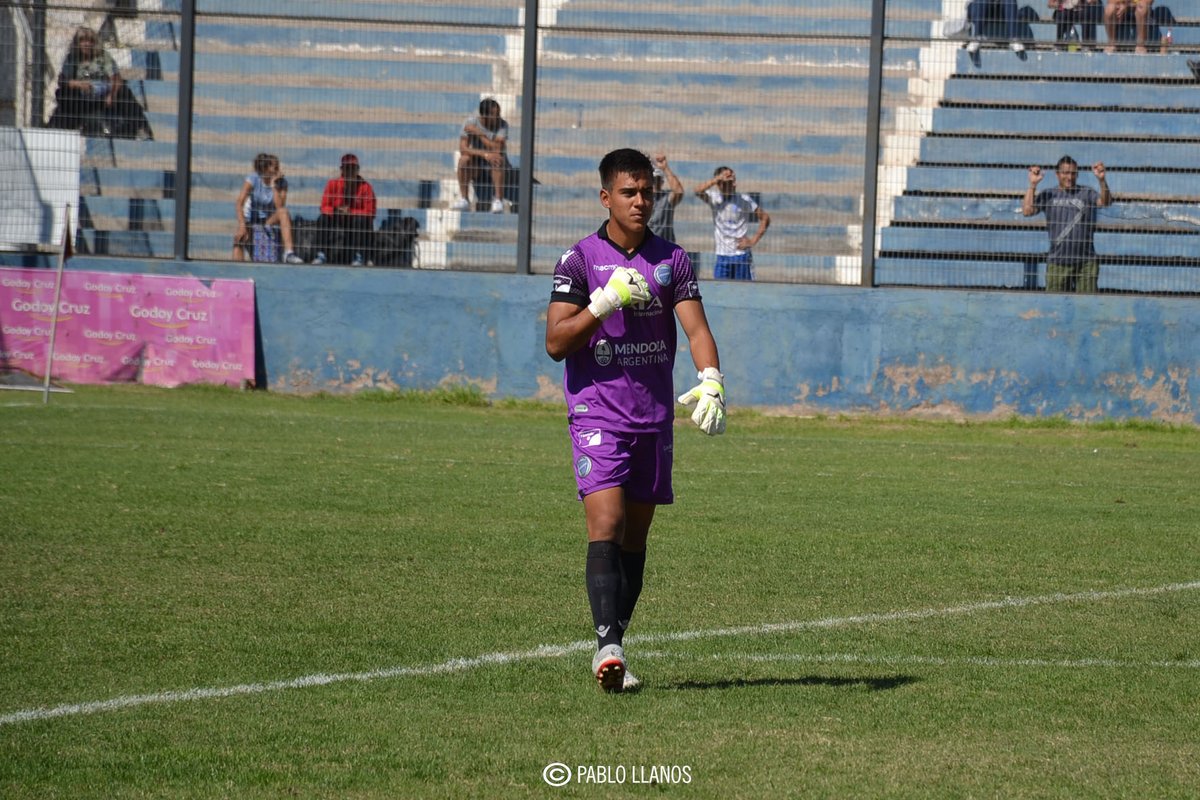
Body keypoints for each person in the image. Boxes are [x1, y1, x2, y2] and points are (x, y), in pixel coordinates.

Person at [545, 148, 725, 693]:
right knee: (607, 525)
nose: (641, 201)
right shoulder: (579, 260)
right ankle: (607, 647)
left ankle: (615, 644)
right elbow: (556, 342)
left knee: (636, 539)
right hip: (597, 411)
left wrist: (712, 377)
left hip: (653, 417)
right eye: (629, 192)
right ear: (606, 197)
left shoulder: (674, 259)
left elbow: (695, 330)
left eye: (647, 191)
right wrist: (603, 303)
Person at [1022, 155, 1112, 293]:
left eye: (1073, 173)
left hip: (1086, 263)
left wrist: (1101, 180)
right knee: (1055, 308)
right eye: (1065, 173)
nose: (1069, 177)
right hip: (1057, 262)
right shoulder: (1049, 194)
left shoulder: (1086, 193)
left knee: (1086, 307)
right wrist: (1033, 185)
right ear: (1057, 174)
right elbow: (1027, 211)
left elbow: (1105, 202)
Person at [48, 26, 153, 139]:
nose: (86, 44)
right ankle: (61, 129)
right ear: (77, 43)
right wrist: (79, 84)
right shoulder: (72, 58)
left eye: (90, 41)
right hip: (81, 98)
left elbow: (117, 79)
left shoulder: (103, 57)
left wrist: (111, 95)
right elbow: (63, 80)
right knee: (62, 93)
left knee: (124, 92)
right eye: (83, 40)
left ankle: (141, 127)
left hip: (102, 97)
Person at [694, 166, 770, 281]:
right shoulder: (714, 198)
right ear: (720, 184)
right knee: (720, 292)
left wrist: (752, 241)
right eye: (729, 181)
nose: (734, 184)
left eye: (734, 180)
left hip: (741, 255)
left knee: (744, 292)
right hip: (722, 256)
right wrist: (717, 179)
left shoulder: (744, 199)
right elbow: (697, 191)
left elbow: (765, 218)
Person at [233, 153, 303, 264]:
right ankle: (236, 269)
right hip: (253, 219)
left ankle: (289, 253)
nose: (277, 170)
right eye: (275, 167)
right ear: (265, 169)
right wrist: (242, 225)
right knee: (239, 239)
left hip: (270, 219)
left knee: (284, 212)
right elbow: (239, 203)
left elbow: (280, 207)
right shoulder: (253, 179)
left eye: (278, 167)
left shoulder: (282, 183)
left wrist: (274, 186)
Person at [312, 153, 377, 266]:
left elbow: (370, 212)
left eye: (353, 168)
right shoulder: (332, 184)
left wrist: (352, 212)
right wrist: (336, 210)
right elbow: (324, 206)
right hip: (338, 218)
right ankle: (321, 254)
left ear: (358, 170)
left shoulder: (366, 187)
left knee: (361, 220)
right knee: (323, 218)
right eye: (347, 168)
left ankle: (358, 256)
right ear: (342, 169)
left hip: (356, 221)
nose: (350, 171)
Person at [451, 98, 509, 213]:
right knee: (463, 160)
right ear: (484, 116)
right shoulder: (470, 122)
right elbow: (463, 148)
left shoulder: (503, 125)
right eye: (495, 114)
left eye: (499, 113)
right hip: (476, 165)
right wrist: (485, 154)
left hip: (495, 166)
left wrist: (480, 134)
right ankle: (464, 199)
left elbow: (498, 149)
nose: (498, 117)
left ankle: (498, 200)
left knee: (498, 159)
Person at [647, 152, 684, 243]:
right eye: (652, 180)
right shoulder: (641, 198)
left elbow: (678, 191)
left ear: (662, 182)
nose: (654, 183)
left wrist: (665, 168)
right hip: (645, 246)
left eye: (657, 180)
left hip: (665, 245)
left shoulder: (666, 197)